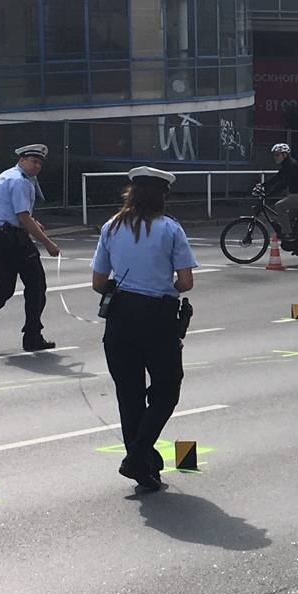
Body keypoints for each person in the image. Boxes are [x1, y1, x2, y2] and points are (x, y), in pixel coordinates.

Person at [91, 166, 198, 493]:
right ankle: (138, 455)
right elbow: (186, 282)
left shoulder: (111, 227)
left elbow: (98, 283)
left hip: (120, 319)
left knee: (129, 393)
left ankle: (141, 464)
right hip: (157, 319)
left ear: (132, 194)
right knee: (167, 388)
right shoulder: (170, 230)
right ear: (162, 197)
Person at [0, 143, 61, 352]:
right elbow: (22, 217)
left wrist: (33, 222)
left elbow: (15, 211)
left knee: (4, 288)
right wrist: (48, 243)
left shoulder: (8, 176)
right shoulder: (19, 182)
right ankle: (32, 337)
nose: (36, 166)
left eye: (39, 163)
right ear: (22, 160)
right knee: (36, 285)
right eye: (33, 161)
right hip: (12, 239)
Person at [258, 142, 298, 238]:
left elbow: (283, 184)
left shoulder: (291, 166)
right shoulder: (287, 164)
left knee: (279, 206)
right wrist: (262, 185)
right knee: (289, 219)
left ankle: (287, 233)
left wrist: (268, 194)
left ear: (285, 155)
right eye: (274, 155)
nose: (275, 157)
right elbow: (277, 177)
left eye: (277, 155)